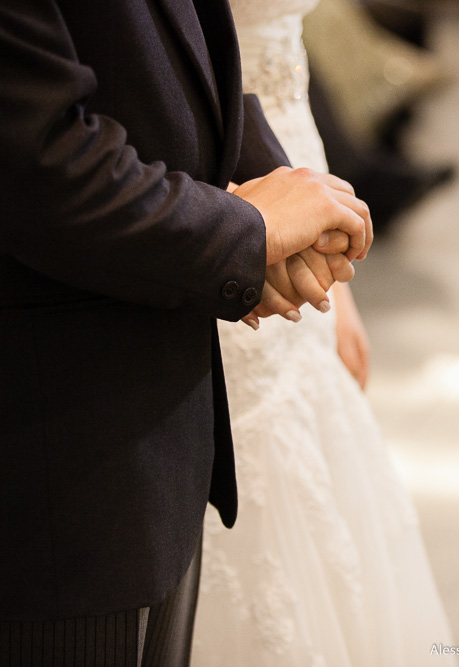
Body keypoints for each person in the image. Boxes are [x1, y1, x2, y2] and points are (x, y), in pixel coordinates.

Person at [0, 1, 371, 664]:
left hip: (157, 422)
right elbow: (38, 158)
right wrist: (245, 233)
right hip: (59, 464)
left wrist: (266, 187)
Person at [188, 2, 457, 665]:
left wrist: (338, 282)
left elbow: (284, 78)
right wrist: (242, 233)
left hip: (293, 187)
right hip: (220, 211)